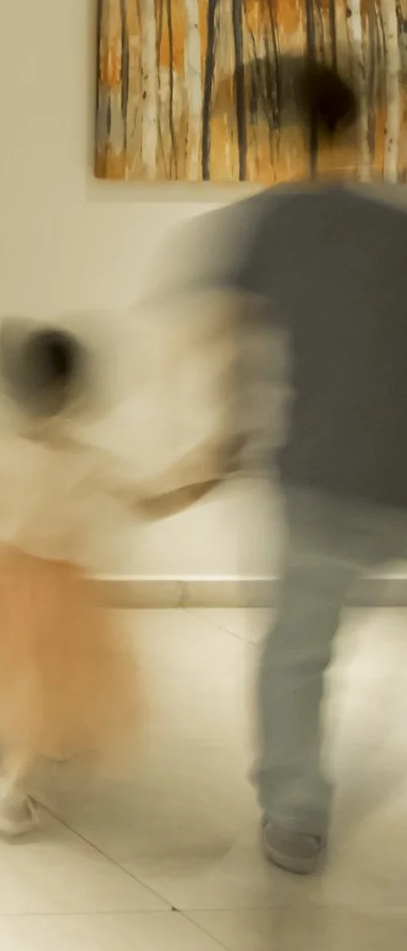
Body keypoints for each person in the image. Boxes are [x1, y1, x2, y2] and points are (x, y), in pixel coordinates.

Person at [205, 61, 407, 875]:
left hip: (322, 470)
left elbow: (229, 339)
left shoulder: (267, 223)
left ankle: (294, 815)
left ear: (283, 129)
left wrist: (227, 437)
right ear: (357, 124)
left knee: (297, 652)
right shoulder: (399, 223)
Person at [0, 322, 227, 839]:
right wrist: (204, 475)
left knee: (21, 673)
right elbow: (148, 502)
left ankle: (42, 741)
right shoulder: (84, 461)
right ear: (72, 393)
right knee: (41, 682)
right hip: (53, 589)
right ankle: (11, 792)